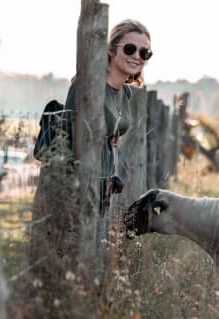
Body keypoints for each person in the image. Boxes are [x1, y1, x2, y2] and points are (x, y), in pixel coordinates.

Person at [63, 19, 153, 214]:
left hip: (104, 185)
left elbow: (107, 130)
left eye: (144, 52)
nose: (137, 57)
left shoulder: (125, 93)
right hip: (78, 187)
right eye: (130, 49)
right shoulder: (86, 84)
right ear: (111, 50)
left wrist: (110, 137)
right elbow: (67, 137)